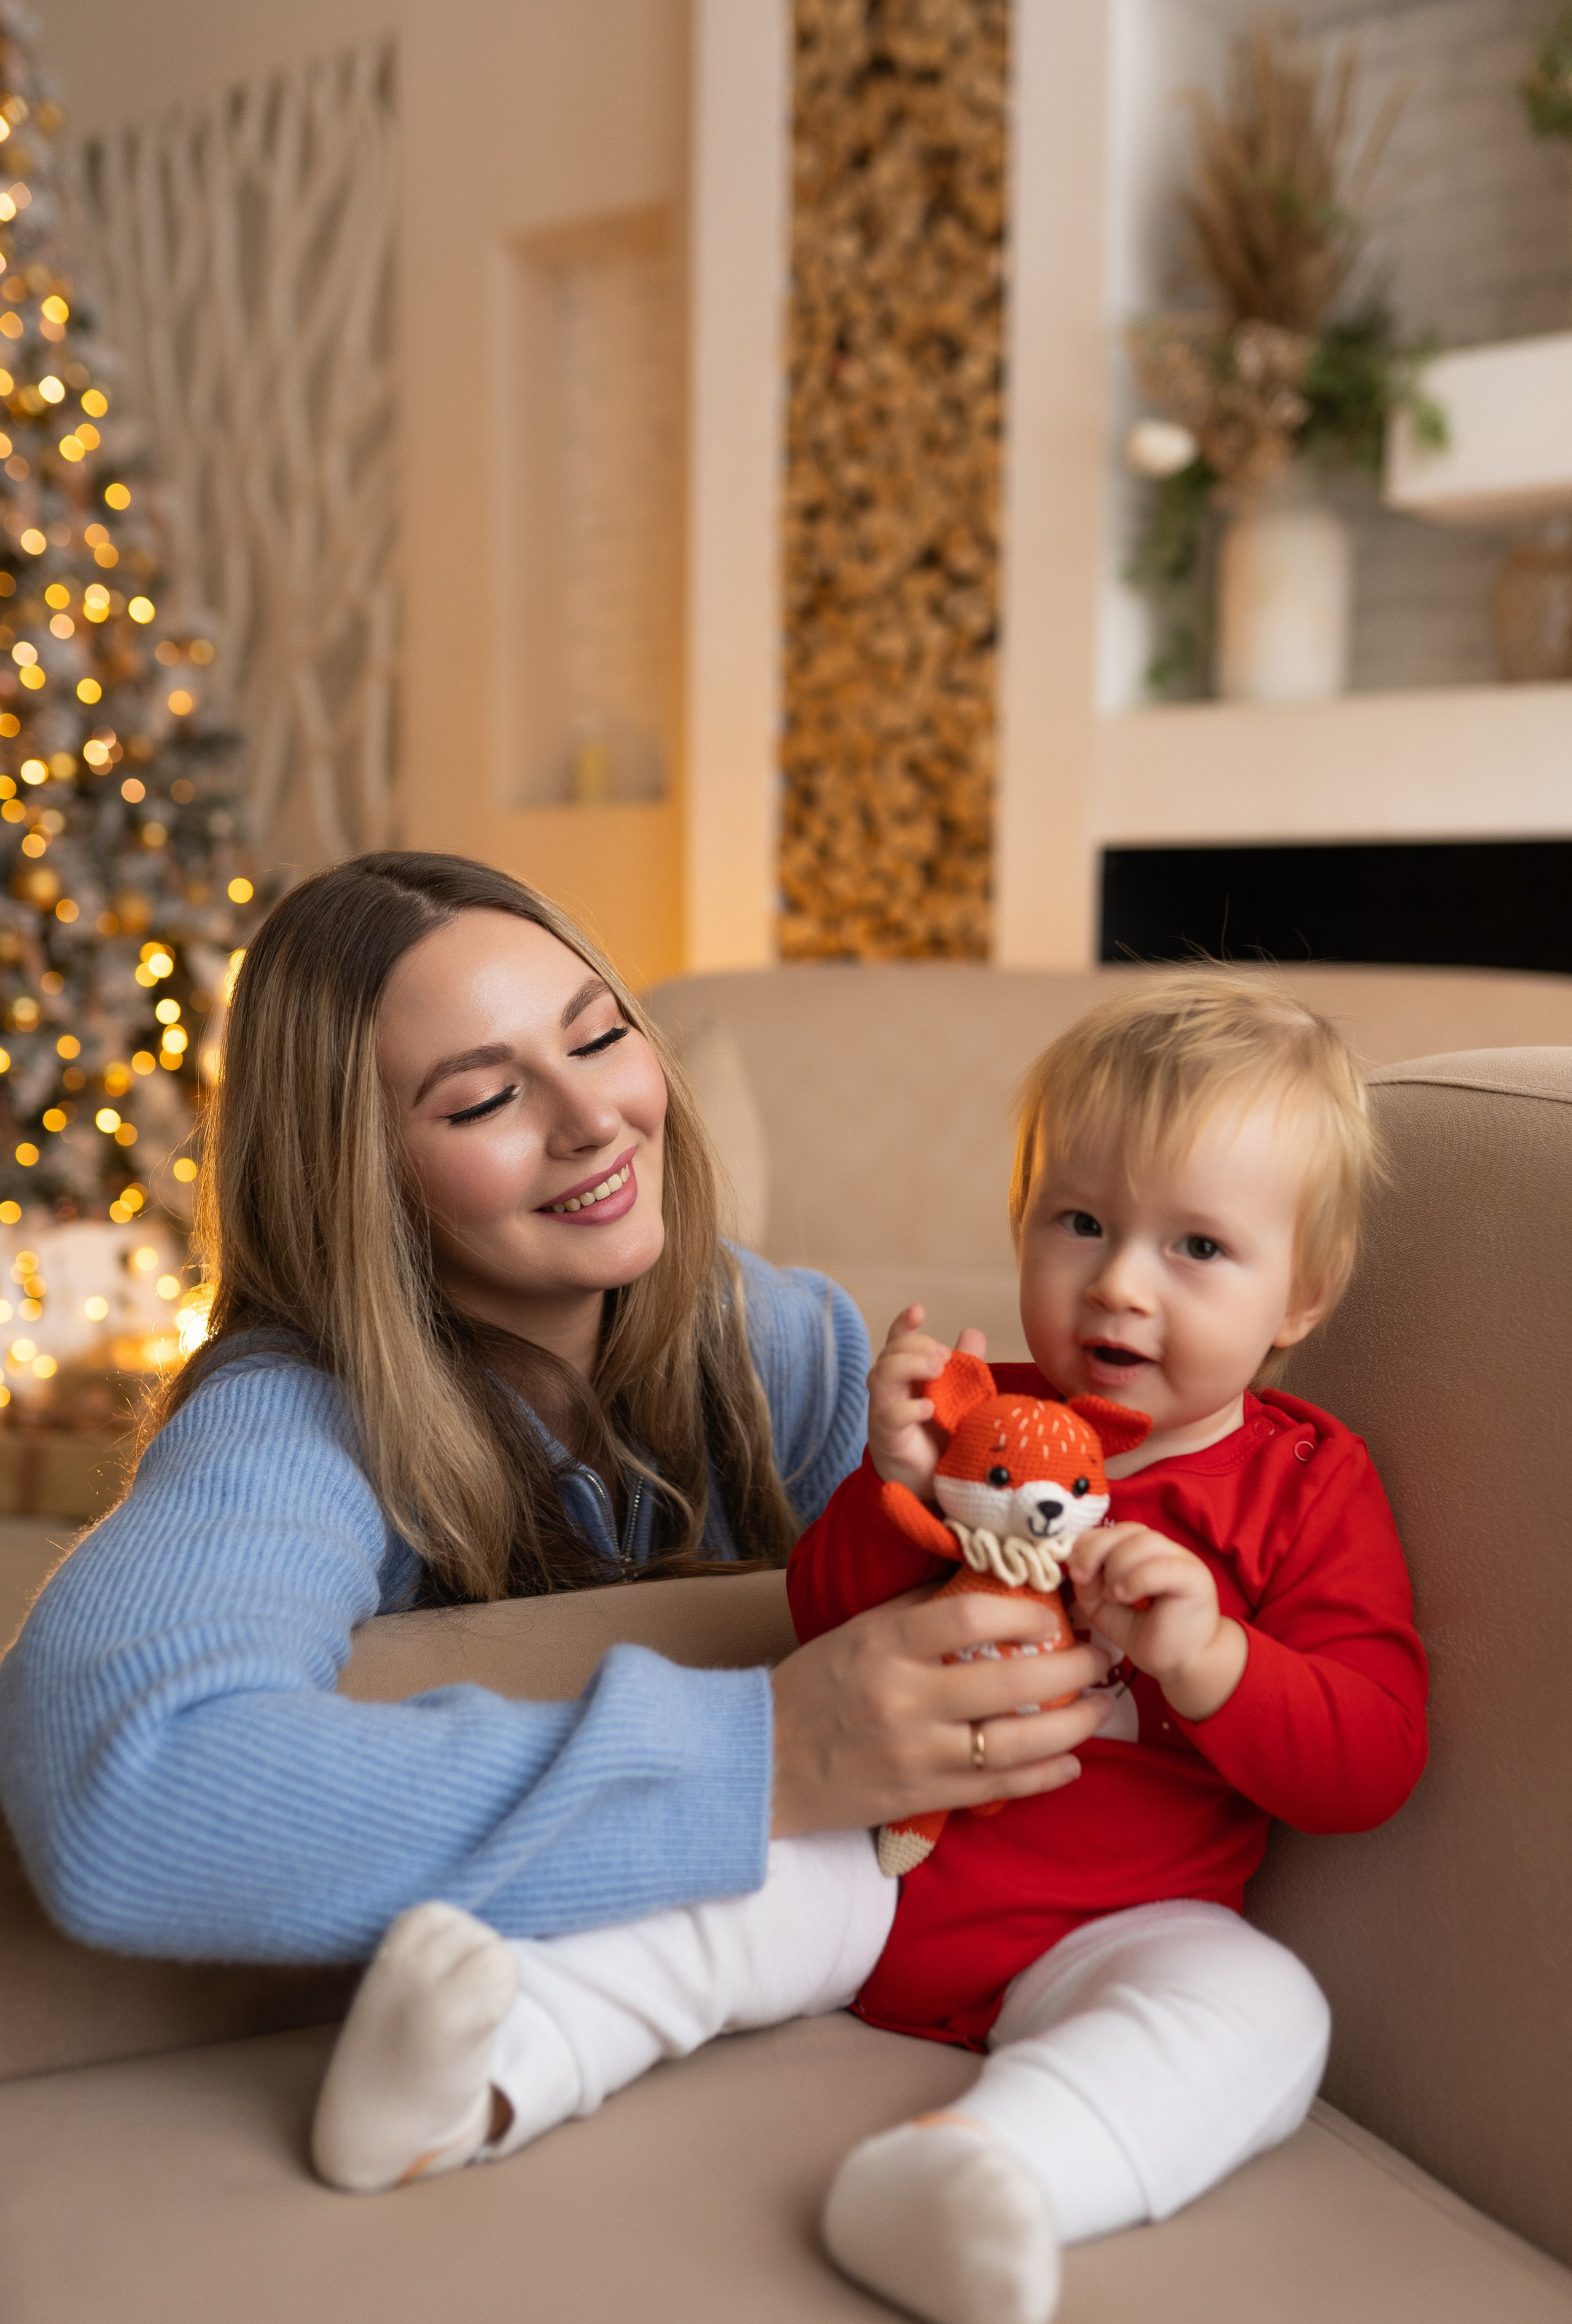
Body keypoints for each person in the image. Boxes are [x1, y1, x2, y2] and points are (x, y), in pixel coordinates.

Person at [308, 968, 1427, 2324]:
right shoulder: (980, 1419)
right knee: (704, 1893)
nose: (1119, 1285)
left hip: (1119, 1926)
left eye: (1196, 1248)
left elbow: (1370, 1759)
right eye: (1079, 1222)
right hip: (871, 1855)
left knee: (1262, 2007)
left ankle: (984, 2173)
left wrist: (1213, 1661)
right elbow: (823, 1612)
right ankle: (475, 2069)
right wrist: (891, 1487)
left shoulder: (1304, 1487)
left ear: (1301, 1296)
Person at [0, 853, 1110, 1969]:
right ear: (356, 1181)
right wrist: (770, 1759)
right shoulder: (296, 1420)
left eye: (598, 1038)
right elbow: (125, 1782)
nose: (593, 1119)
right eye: (483, 1100)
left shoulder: (787, 1341)